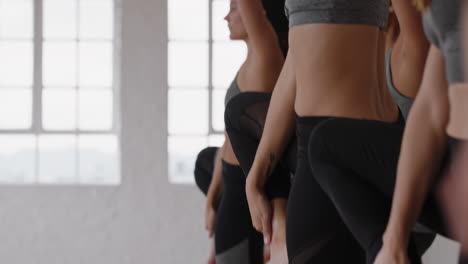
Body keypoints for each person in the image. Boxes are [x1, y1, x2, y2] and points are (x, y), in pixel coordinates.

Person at [194, 0, 288, 262]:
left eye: (234, 9)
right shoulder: (250, 63)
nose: (226, 17)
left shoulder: (266, 56)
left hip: (245, 187)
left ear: (260, 15)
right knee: (203, 161)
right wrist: (212, 198)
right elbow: (229, 136)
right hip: (233, 181)